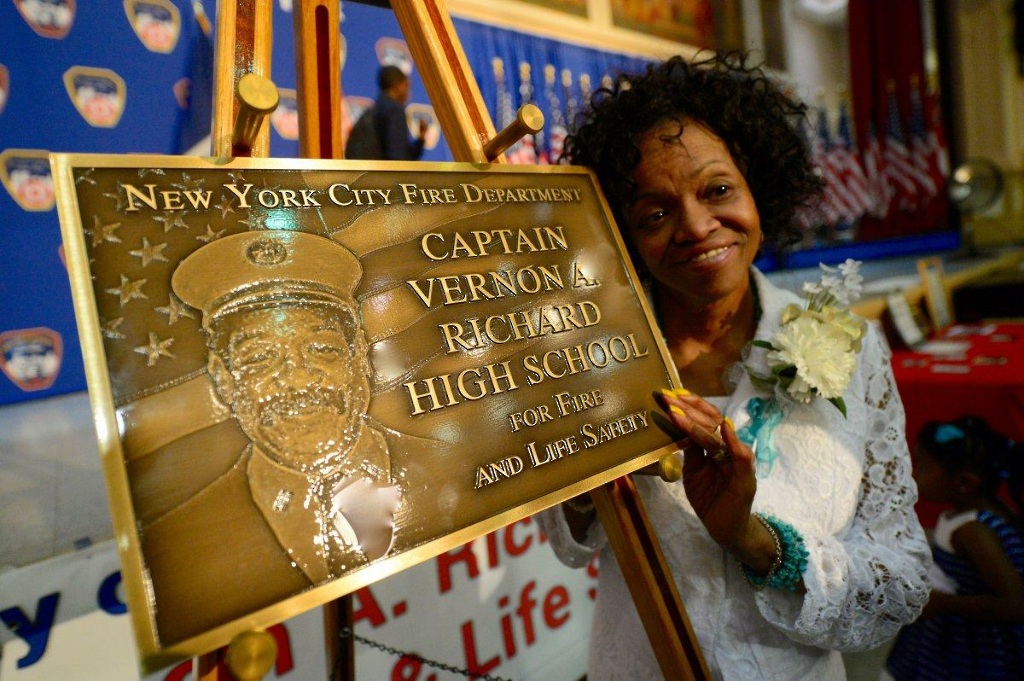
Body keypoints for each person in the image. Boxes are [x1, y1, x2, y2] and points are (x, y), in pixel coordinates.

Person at [536, 53, 931, 679]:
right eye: (654, 214)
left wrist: (753, 540)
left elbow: (902, 578)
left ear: (760, 186)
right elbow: (568, 542)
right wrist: (592, 453)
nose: (696, 226)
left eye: (717, 190)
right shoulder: (592, 358)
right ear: (618, 234)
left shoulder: (853, 349)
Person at [136, 229, 402, 645]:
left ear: (360, 360)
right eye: (259, 358)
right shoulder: (181, 544)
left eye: (322, 350)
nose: (296, 379)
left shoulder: (459, 461)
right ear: (223, 381)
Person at [886, 416, 1024, 680]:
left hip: (967, 651)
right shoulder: (973, 515)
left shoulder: (973, 530)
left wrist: (940, 603)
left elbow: (1014, 604)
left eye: (924, 467)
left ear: (965, 482)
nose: (914, 474)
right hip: (943, 636)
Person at [348, 64, 428, 160]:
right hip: (382, 174)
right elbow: (397, 159)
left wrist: (420, 139)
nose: (409, 92)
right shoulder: (394, 110)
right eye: (407, 85)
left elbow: (401, 153)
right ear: (397, 86)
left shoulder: (373, 111)